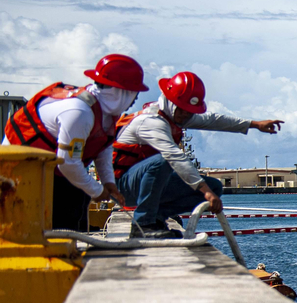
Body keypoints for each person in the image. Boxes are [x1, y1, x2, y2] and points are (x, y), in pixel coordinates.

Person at [112, 71, 283, 238]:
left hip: (145, 184)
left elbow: (213, 120)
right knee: (166, 162)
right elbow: (175, 156)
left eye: (189, 111)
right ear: (171, 103)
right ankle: (143, 224)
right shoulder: (151, 122)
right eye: (182, 110)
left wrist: (255, 124)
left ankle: (156, 217)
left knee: (215, 186)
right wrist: (205, 191)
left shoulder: (176, 117)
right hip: (123, 187)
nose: (186, 115)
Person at [3, 54, 147, 231]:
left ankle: (73, 244)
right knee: (69, 201)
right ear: (120, 92)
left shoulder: (105, 113)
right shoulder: (79, 112)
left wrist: (108, 182)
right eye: (134, 94)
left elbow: (103, 149)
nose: (135, 101)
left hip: (52, 168)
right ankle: (60, 249)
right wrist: (96, 190)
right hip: (21, 170)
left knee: (77, 198)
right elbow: (68, 164)